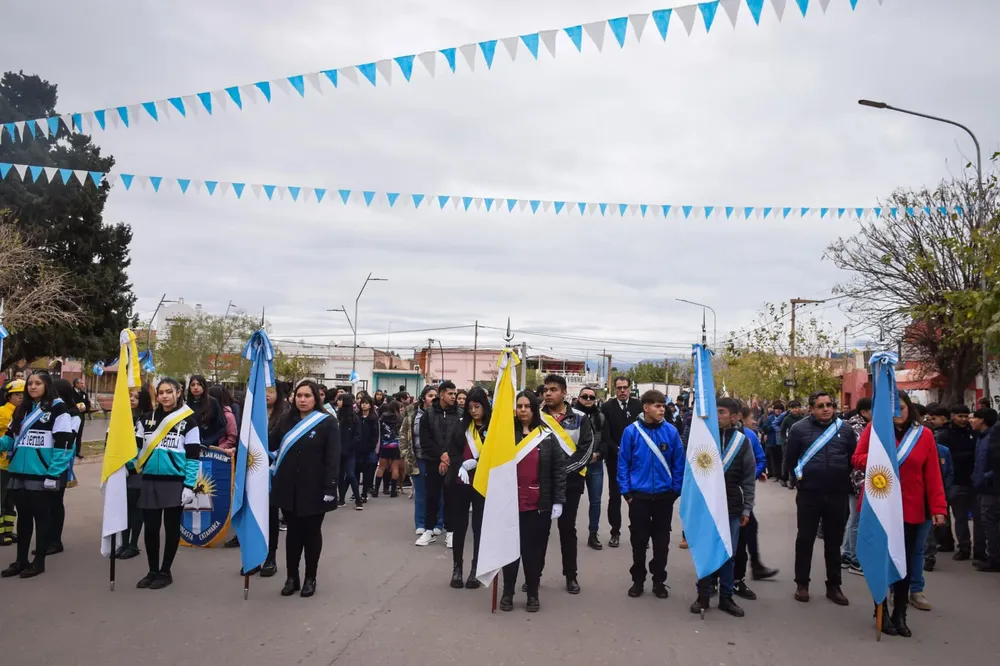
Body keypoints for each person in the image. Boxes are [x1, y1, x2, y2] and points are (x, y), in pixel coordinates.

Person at [852, 391, 946, 637]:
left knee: (902, 563)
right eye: (892, 409)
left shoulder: (923, 435)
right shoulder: (875, 430)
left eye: (901, 408)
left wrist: (938, 508)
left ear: (909, 408)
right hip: (880, 506)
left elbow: (933, 474)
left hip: (911, 508)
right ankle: (880, 610)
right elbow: (857, 459)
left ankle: (900, 613)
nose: (897, 413)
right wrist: (880, 459)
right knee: (880, 562)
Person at [269, 380, 340, 597]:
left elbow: (332, 458)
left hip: (315, 488)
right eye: (299, 395)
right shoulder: (285, 420)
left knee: (311, 534)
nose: (302, 399)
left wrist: (330, 488)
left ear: (316, 398)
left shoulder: (327, 423)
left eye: (307, 396)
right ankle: (292, 577)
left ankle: (311, 577)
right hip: (288, 487)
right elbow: (270, 445)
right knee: (292, 534)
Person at [784, 391, 856, 605]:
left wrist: (841, 477)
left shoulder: (845, 429)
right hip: (810, 493)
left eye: (829, 405)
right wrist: (800, 480)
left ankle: (834, 586)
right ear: (811, 409)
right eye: (820, 405)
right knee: (805, 539)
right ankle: (802, 584)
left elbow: (852, 458)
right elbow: (791, 459)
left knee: (834, 541)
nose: (826, 409)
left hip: (837, 493)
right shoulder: (799, 429)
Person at [0, 372, 74, 578]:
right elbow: (9, 439)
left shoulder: (59, 410)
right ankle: (20, 560)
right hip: (18, 472)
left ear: (47, 385)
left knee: (41, 519)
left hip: (42, 475)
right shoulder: (21, 409)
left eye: (38, 383)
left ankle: (38, 561)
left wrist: (53, 474)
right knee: (22, 519)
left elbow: (63, 445)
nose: (32, 387)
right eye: (30, 384)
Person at [499, 391, 566, 613]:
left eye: (527, 406)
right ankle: (507, 592)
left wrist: (558, 500)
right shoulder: (506, 437)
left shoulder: (546, 437)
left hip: (538, 505)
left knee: (533, 552)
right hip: (511, 504)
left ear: (534, 409)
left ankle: (533, 593)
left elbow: (558, 470)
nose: (523, 410)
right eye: (519, 406)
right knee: (510, 551)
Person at [689, 398, 756, 617]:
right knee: (705, 550)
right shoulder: (704, 440)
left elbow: (748, 479)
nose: (717, 416)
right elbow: (691, 473)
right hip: (706, 506)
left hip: (732, 506)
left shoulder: (742, 442)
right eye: (715, 411)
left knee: (728, 553)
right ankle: (703, 594)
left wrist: (747, 508)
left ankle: (727, 597)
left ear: (736, 417)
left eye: (722, 412)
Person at [132, 378, 201, 589]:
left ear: (178, 393)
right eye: (160, 392)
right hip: (150, 480)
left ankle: (165, 571)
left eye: (168, 392)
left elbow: (193, 457)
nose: (164, 396)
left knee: (171, 529)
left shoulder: (189, 421)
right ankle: (152, 570)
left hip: (175, 482)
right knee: (151, 528)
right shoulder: (146, 420)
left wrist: (189, 485)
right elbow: (134, 450)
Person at [617, 390, 683, 600]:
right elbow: (623, 463)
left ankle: (659, 581)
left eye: (663, 405)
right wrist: (627, 492)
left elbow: (679, 463)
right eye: (657, 405)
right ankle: (638, 580)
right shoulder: (631, 432)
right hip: (639, 497)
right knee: (639, 540)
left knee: (661, 542)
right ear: (646, 408)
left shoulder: (671, 432)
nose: (662, 409)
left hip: (664, 496)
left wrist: (675, 490)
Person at [540, 374, 595, 594]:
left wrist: (561, 473)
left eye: (553, 389)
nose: (548, 393)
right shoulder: (535, 417)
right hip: (541, 484)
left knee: (567, 530)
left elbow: (585, 451)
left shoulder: (581, 418)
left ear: (564, 393)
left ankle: (571, 576)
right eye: (545, 390)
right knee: (539, 531)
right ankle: (535, 574)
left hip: (570, 484)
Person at [732, 405, 778, 599]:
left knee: (746, 531)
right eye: (753, 419)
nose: (754, 422)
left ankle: (739, 577)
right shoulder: (713, 435)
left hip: (741, 496)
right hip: (721, 497)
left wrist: (752, 475)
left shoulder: (749, 436)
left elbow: (760, 460)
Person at [447, 387, 490, 589]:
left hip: (483, 483)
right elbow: (452, 449)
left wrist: (477, 462)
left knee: (479, 526)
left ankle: (475, 569)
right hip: (461, 481)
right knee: (460, 525)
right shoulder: (462, 426)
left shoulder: (492, 428)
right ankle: (457, 567)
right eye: (470, 407)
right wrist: (460, 465)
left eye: (477, 406)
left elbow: (495, 455)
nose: (473, 411)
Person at [416, 381, 461, 547]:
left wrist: (448, 457)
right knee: (431, 497)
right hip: (432, 462)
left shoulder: (460, 414)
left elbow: (460, 440)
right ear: (441, 394)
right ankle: (428, 530)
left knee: (451, 498)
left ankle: (450, 532)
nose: (453, 396)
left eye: (454, 394)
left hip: (453, 463)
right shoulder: (428, 415)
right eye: (450, 393)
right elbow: (425, 440)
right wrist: (440, 455)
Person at [935, 404, 981, 562]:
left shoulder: (974, 433)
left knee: (979, 518)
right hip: (956, 482)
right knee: (960, 518)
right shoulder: (944, 435)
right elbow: (946, 460)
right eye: (960, 416)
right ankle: (964, 547)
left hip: (975, 482)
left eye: (965, 416)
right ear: (952, 416)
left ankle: (980, 550)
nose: (963, 419)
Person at [602, 377, 641, 549]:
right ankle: (615, 532)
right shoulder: (607, 407)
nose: (623, 391)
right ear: (615, 389)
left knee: (638, 497)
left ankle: (639, 532)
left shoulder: (638, 406)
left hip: (637, 460)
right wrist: (617, 449)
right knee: (615, 496)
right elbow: (605, 435)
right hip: (615, 459)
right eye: (619, 388)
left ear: (630, 389)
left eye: (625, 388)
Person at [117, 387, 155, 560]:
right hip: (122, 468)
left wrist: (132, 465)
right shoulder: (127, 418)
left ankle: (133, 544)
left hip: (136, 470)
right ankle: (123, 543)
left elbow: (142, 447)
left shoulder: (148, 420)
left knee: (135, 508)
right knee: (123, 508)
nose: (131, 399)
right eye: (130, 396)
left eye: (136, 397)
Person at [48, 378, 82, 555]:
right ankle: (45, 539)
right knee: (44, 504)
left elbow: (69, 438)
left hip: (61, 460)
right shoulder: (48, 410)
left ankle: (55, 540)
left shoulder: (73, 414)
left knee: (55, 502)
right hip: (44, 460)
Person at [401, 387, 441, 537]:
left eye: (436, 396)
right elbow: (403, 435)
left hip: (436, 459)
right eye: (431, 396)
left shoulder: (439, 415)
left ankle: (438, 523)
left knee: (438, 492)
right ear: (424, 398)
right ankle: (420, 523)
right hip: (417, 459)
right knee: (421, 493)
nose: (433, 398)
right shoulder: (412, 415)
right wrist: (406, 454)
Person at [841, 397, 872, 572]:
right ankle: (855, 558)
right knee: (857, 520)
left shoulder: (857, 426)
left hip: (856, 479)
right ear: (864, 412)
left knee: (853, 519)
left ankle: (846, 553)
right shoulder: (858, 429)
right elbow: (860, 456)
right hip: (857, 479)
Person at [574, 387, 606, 550]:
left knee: (596, 501)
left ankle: (593, 534)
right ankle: (569, 533)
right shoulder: (571, 416)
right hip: (575, 465)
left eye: (591, 397)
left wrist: (599, 454)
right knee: (572, 501)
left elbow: (606, 440)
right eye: (585, 396)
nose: (588, 399)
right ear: (578, 398)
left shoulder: (600, 417)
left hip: (595, 464)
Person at [971, 408, 1000, 572]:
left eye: (973, 417)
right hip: (983, 486)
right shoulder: (981, 437)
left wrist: (986, 477)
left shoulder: (993, 436)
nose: (971, 420)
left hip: (991, 488)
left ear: (982, 420)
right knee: (986, 523)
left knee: (990, 523)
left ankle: (994, 559)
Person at [0, 380, 25, 547]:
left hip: (16, 463)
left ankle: (8, 530)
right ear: (9, 396)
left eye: (24, 395)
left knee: (11, 500)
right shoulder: (3, 413)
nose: (21, 398)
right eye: (17, 395)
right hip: (2, 463)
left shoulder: (25, 412)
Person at [336, 394, 363, 510]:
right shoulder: (337, 416)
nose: (338, 402)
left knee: (351, 475)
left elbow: (357, 436)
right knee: (340, 476)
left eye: (340, 400)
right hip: (338, 452)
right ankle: (341, 499)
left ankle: (358, 500)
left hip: (349, 452)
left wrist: (348, 447)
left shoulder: (354, 418)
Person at [186, 375, 225, 449]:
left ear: (204, 387)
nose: (195, 387)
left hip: (209, 447)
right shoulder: (187, 405)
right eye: (193, 385)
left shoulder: (212, 402)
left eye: (199, 384)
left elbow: (221, 427)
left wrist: (207, 442)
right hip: (191, 446)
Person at [356, 394, 380, 502]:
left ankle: (364, 493)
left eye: (366, 403)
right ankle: (356, 493)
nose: (364, 405)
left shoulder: (373, 418)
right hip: (357, 449)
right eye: (362, 403)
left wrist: (372, 447)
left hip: (368, 449)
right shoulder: (357, 416)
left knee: (367, 473)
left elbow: (375, 435)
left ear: (370, 405)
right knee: (355, 472)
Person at [780, 400, 806, 488]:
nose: (795, 410)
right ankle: (786, 479)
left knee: (799, 461)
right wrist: (784, 441)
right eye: (793, 408)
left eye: (797, 408)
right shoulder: (787, 419)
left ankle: (798, 480)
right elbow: (782, 431)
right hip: (788, 443)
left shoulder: (803, 418)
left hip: (800, 442)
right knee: (787, 461)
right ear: (790, 409)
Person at [207, 385, 239, 453]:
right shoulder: (205, 415)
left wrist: (218, 449)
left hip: (220, 454)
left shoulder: (228, 416)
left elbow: (232, 438)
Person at [761, 402, 785, 482]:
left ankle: (781, 474)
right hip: (771, 440)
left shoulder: (784, 418)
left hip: (781, 441)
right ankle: (774, 473)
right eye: (776, 409)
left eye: (779, 409)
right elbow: (764, 428)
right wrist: (772, 426)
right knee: (772, 458)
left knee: (781, 458)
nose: (777, 411)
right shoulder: (770, 418)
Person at [71, 378, 90, 459]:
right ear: (76, 384)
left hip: (81, 416)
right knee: (71, 434)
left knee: (79, 434)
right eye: (81, 383)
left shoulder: (84, 394)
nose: (83, 385)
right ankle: (69, 450)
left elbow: (88, 403)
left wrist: (86, 408)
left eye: (83, 383)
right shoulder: (70, 393)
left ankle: (77, 451)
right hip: (72, 416)